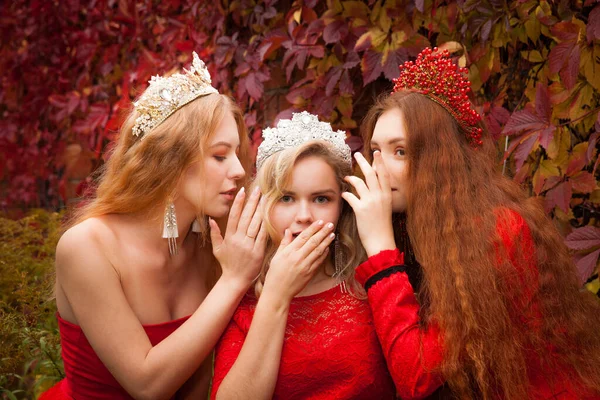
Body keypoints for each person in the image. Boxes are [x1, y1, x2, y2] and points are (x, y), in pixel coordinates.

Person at [344, 47, 600, 399]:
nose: (378, 168)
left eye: (400, 151)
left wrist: (381, 251)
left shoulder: (498, 232)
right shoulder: (416, 228)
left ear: (440, 160)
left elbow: (415, 376)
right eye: (375, 151)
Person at [41, 53, 270, 400]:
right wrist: (234, 279)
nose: (238, 171)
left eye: (238, 154)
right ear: (169, 160)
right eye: (220, 155)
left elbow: (200, 382)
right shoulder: (87, 247)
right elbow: (148, 385)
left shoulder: (212, 244)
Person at [211, 112, 396, 399]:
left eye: (321, 199)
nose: (304, 216)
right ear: (264, 204)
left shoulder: (370, 285)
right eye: (286, 198)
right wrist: (276, 294)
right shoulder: (242, 299)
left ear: (341, 205)